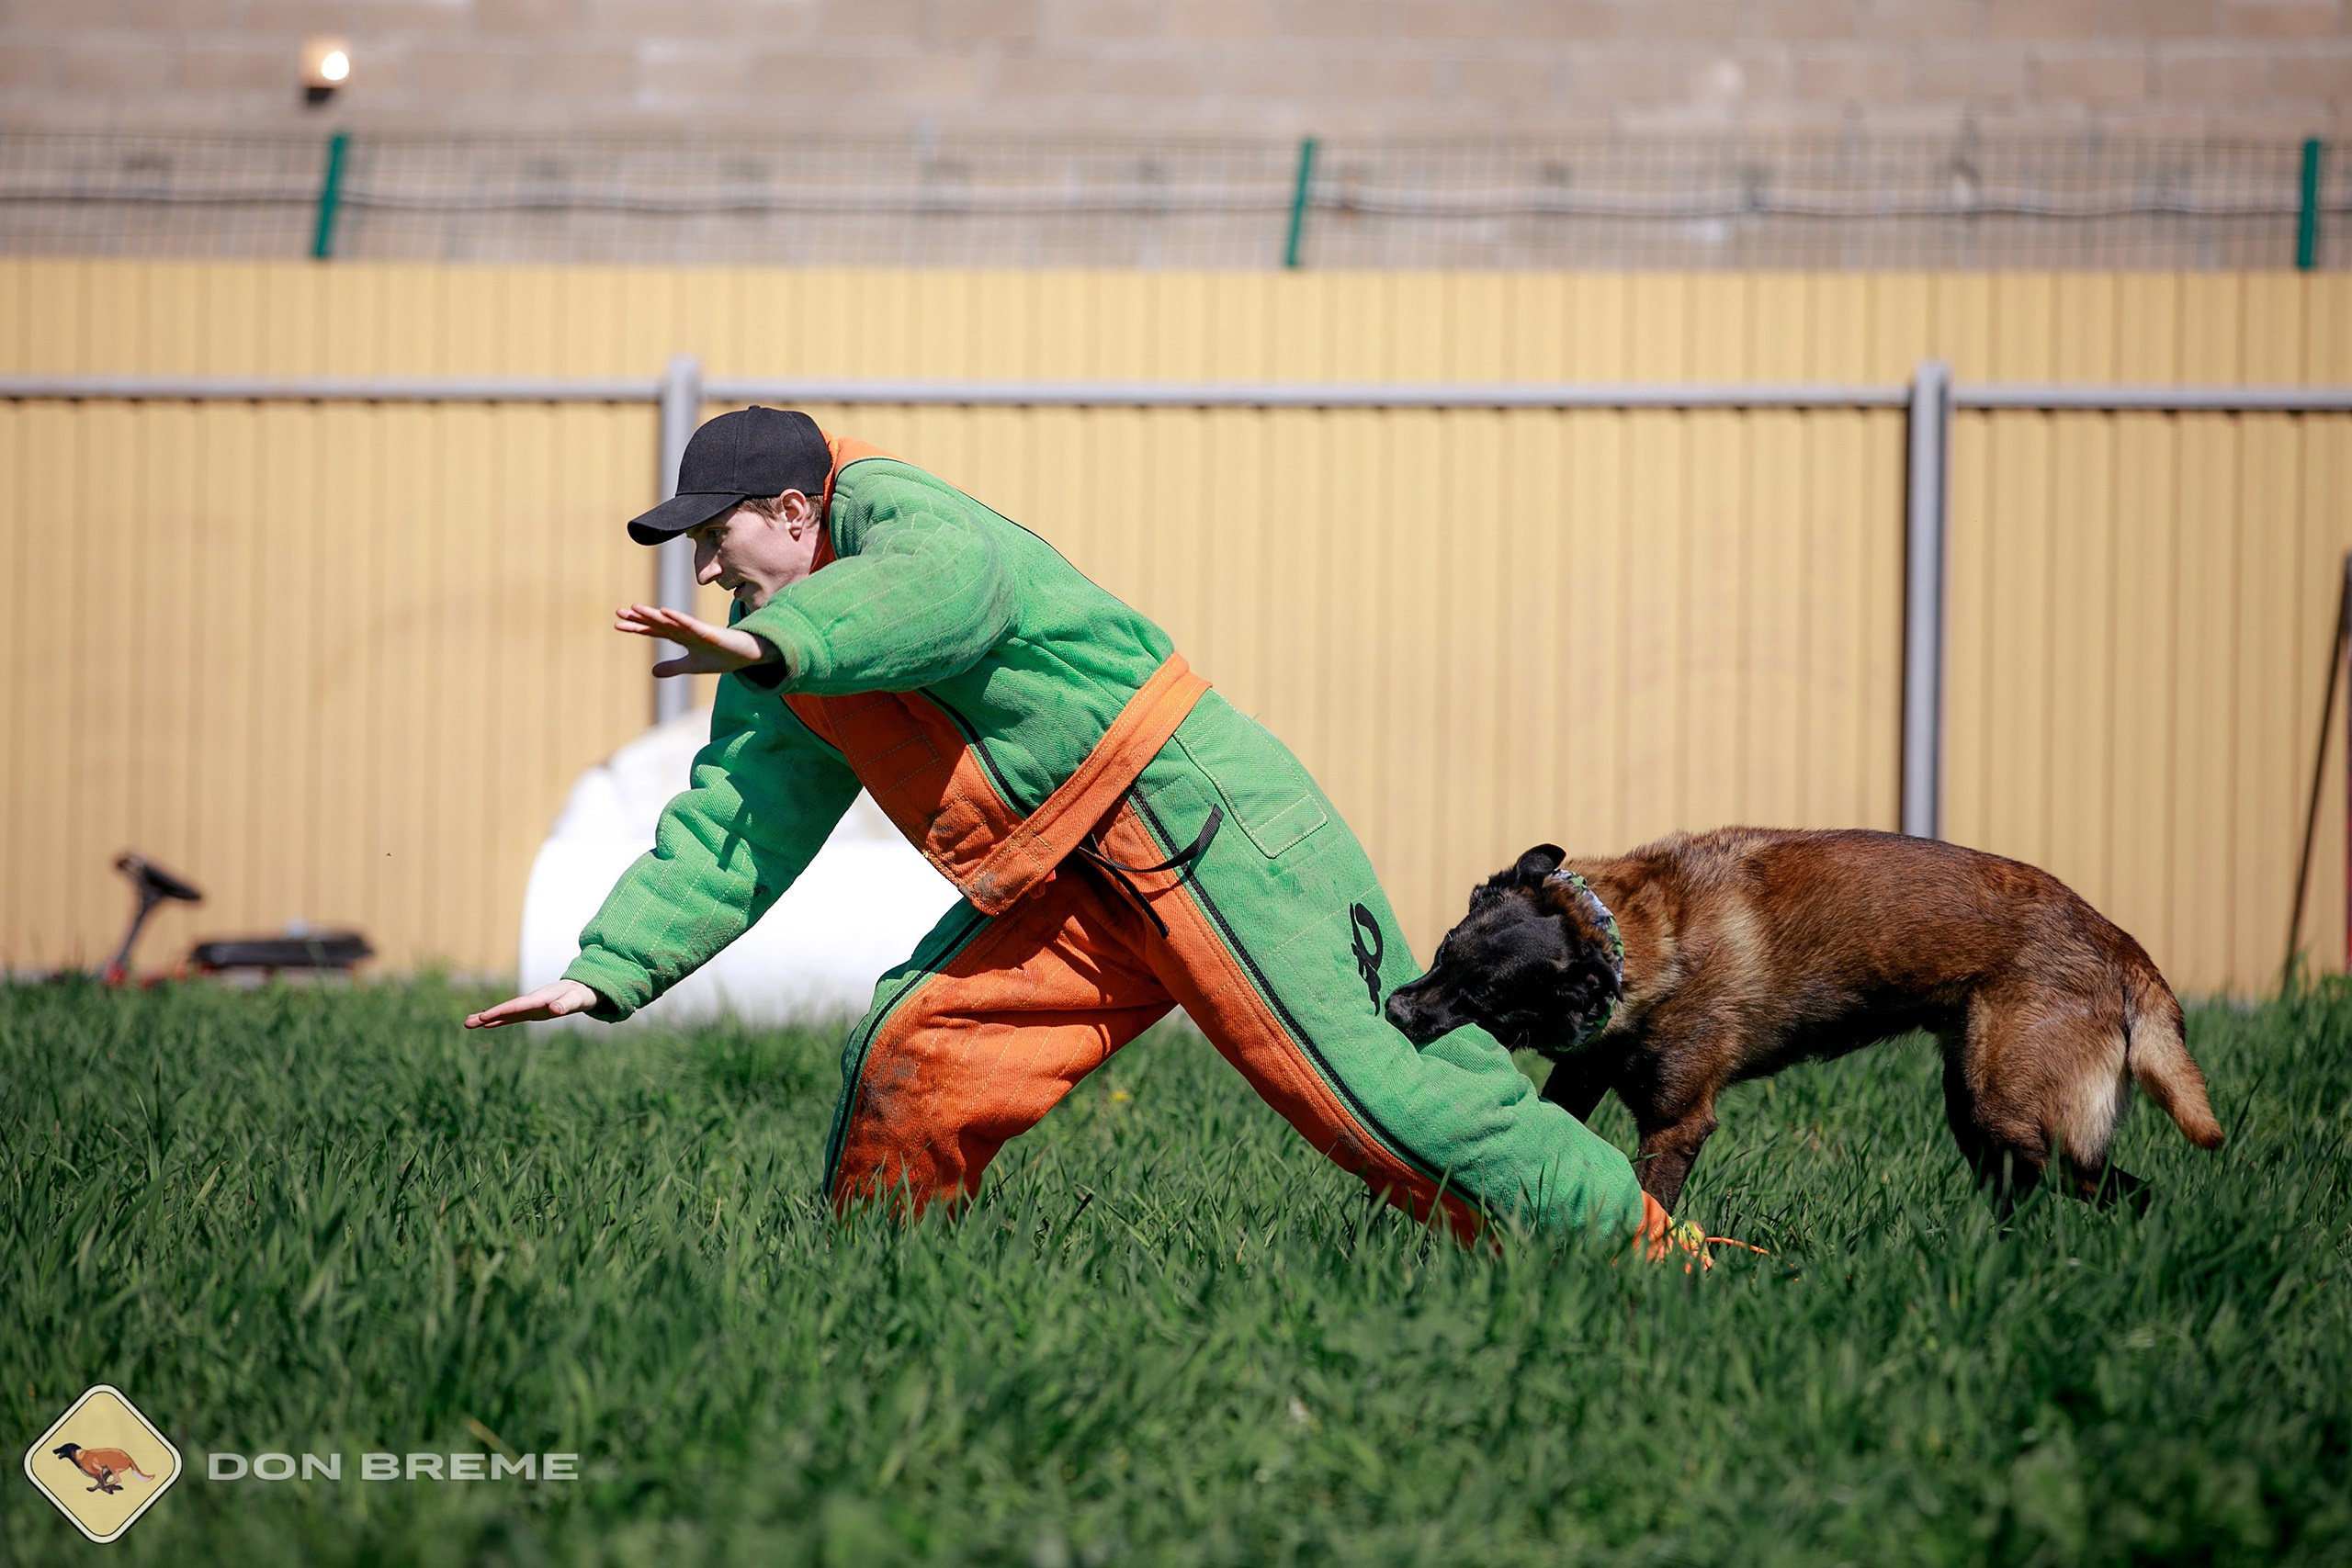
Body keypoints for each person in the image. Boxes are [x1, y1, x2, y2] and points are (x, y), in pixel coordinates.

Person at [466, 406, 1676, 1249]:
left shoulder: (905, 524)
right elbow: (737, 821)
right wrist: (605, 972)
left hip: (1196, 820)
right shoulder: (783, 656)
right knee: (916, 1061)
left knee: (1389, 1106)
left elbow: (943, 600)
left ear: (793, 510)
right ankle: (887, 1303)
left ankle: (1660, 1270)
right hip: (1064, 881)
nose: (707, 570)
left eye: (714, 539)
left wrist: (773, 643)